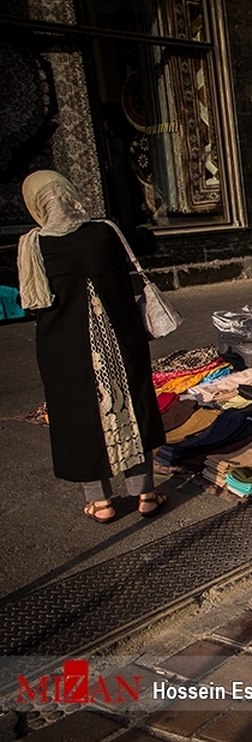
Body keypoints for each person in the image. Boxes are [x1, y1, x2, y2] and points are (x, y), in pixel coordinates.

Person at [16, 170, 166, 523]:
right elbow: (147, 243)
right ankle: (145, 494)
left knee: (79, 415)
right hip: (120, 338)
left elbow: (31, 304)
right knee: (131, 406)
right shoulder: (105, 231)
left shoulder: (33, 245)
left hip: (65, 349)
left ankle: (101, 503)